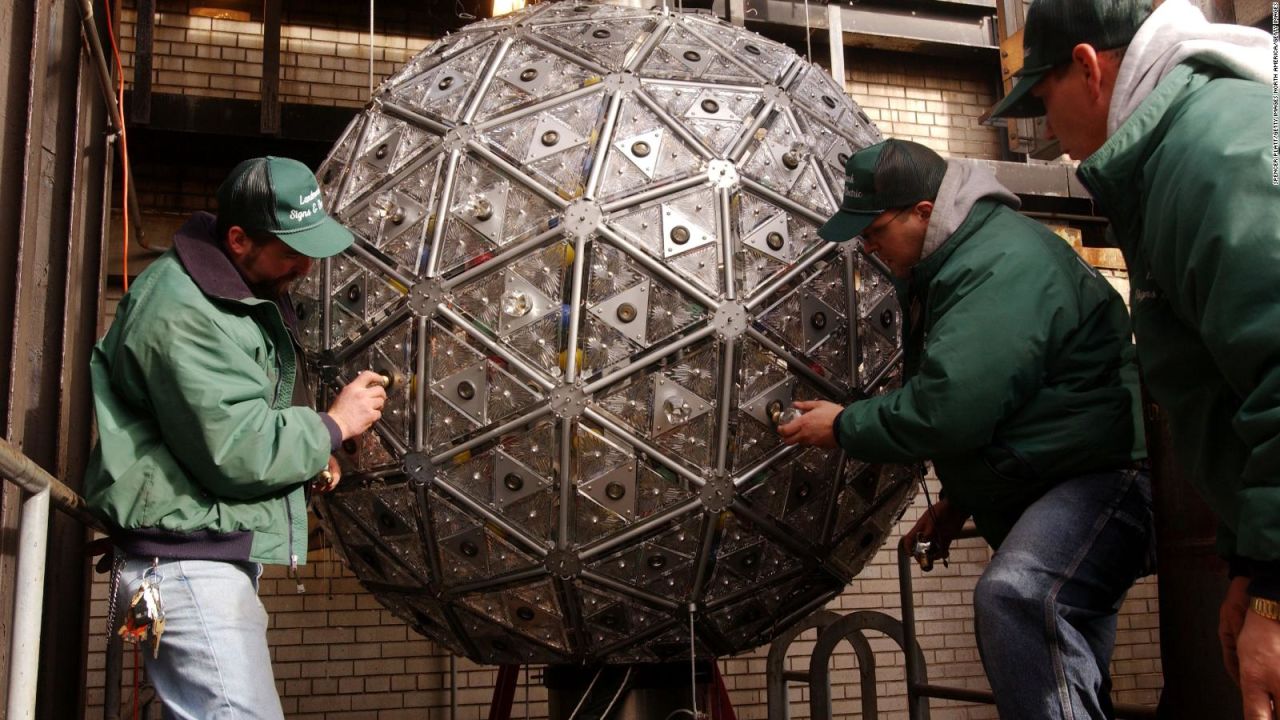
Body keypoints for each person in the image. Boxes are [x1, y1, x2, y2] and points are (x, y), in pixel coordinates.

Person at [779, 138, 1153, 719]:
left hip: (1102, 480)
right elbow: (1015, 397)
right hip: (1062, 478)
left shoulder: (995, 264)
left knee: (1017, 596)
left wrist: (844, 426)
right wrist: (958, 501)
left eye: (874, 229)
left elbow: (951, 408)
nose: (868, 246)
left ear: (924, 213)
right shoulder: (959, 261)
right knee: (1067, 674)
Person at [987, 0, 1280, 714]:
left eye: (1045, 98)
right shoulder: (1179, 153)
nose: (1048, 132)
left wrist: (1275, 597)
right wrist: (1248, 565)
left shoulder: (1211, 156)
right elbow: (1229, 390)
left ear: (1088, 67)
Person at [84, 156, 387, 719]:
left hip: (202, 561)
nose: (304, 266)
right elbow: (238, 449)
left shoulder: (234, 296)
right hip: (183, 566)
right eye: (292, 250)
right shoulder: (184, 310)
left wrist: (309, 459)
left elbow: (227, 423)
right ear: (239, 239)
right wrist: (332, 423)